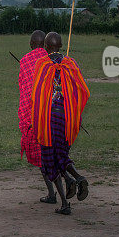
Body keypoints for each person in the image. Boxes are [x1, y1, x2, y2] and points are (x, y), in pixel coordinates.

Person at [31, 32, 90, 215]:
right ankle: (77, 178)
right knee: (62, 153)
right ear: (61, 46)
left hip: (49, 118)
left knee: (50, 159)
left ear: (46, 47)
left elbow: (37, 94)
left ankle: (65, 203)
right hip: (66, 117)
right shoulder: (70, 64)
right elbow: (81, 90)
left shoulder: (42, 64)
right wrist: (75, 114)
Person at [17, 30, 76, 204]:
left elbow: (25, 89)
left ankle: (63, 195)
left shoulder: (33, 61)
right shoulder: (58, 60)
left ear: (31, 44)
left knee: (47, 158)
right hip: (58, 114)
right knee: (55, 155)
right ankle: (57, 191)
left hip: (36, 116)